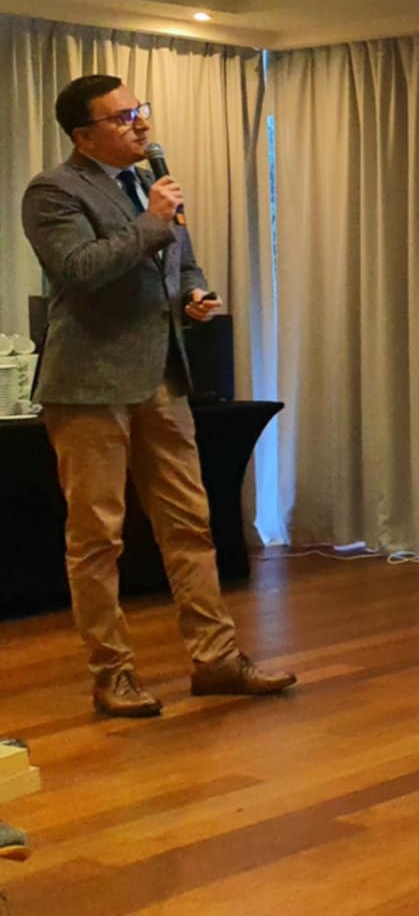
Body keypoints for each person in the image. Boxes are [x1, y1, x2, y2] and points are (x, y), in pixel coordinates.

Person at [19, 74, 294, 717]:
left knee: (190, 524)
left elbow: (181, 262)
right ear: (84, 136)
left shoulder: (150, 183)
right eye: (120, 118)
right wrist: (153, 221)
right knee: (98, 537)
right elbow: (80, 271)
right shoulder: (54, 191)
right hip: (89, 387)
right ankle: (111, 673)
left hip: (163, 379)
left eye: (139, 110)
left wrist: (194, 293)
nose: (140, 124)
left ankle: (216, 659)